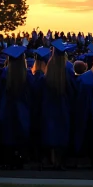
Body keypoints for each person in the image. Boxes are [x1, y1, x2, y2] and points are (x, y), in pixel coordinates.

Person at [0, 45, 31, 169]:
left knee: (6, 136)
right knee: (19, 136)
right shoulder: (27, 75)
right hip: (22, 111)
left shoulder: (1, 74)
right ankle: (18, 160)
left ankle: (5, 160)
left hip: (5, 109)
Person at [36, 41, 73, 170]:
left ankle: (50, 160)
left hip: (48, 110)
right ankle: (59, 161)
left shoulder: (45, 77)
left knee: (50, 133)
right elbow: (72, 93)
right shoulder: (67, 74)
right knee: (61, 135)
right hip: (63, 109)